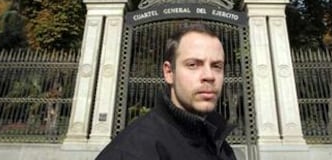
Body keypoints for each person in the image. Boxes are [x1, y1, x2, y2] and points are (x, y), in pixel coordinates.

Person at [96, 24, 237, 160]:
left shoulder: (218, 141)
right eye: (193, 65)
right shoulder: (129, 152)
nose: (209, 76)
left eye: (217, 66)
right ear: (169, 72)